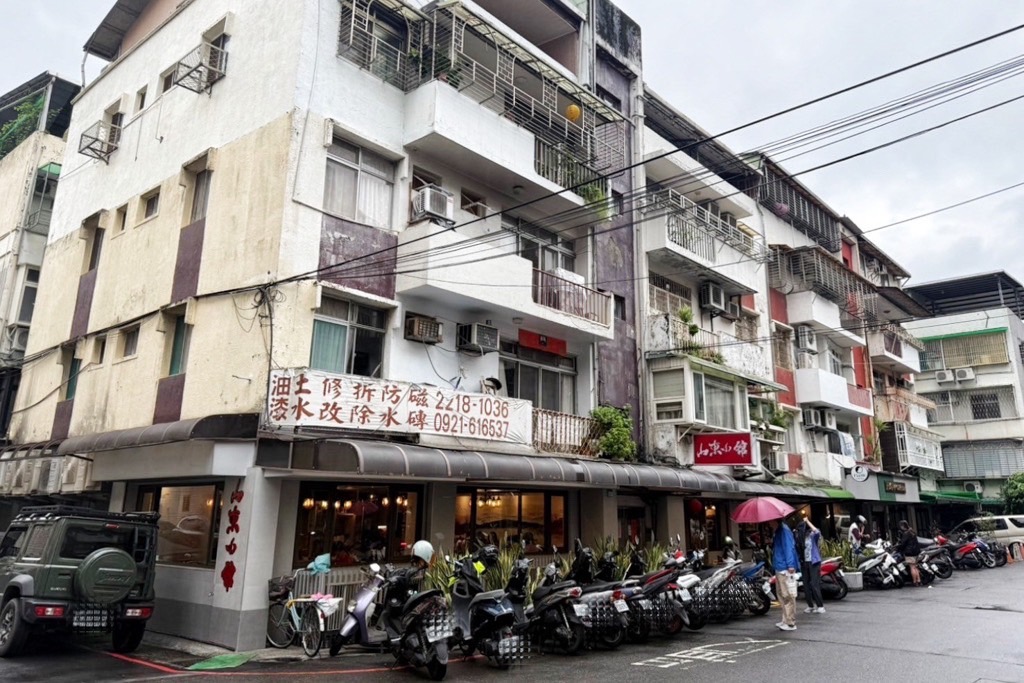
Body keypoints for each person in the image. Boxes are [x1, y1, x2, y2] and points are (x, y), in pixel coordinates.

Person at [771, 517, 800, 631]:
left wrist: (790, 565)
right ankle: (785, 619)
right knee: (782, 594)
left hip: (784, 567)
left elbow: (789, 548)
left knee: (787, 595)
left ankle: (790, 622)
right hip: (780, 566)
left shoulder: (783, 530)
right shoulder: (780, 530)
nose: (768, 523)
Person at [796, 519, 825, 614]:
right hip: (804, 562)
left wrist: (807, 521)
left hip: (814, 562)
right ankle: (810, 605)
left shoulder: (812, 536)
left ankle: (820, 606)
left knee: (814, 583)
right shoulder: (801, 537)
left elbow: (817, 532)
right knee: (806, 584)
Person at [894, 520, 922, 586]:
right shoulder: (912, 531)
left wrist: (898, 546)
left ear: (903, 526)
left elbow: (902, 543)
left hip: (909, 552)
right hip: (916, 552)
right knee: (915, 567)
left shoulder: (906, 534)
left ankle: (915, 582)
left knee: (912, 567)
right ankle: (919, 580)